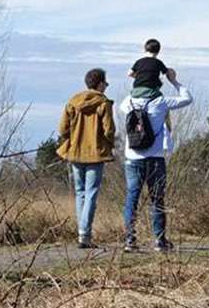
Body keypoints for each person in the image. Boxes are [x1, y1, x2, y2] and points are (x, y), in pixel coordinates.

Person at [119, 67, 194, 251]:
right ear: (157, 84)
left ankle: (130, 239)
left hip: (132, 157)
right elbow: (187, 98)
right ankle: (160, 240)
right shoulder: (161, 101)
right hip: (155, 157)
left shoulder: (128, 101)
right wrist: (174, 81)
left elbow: (126, 103)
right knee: (157, 199)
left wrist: (136, 78)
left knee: (132, 197)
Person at [55, 68, 117, 248]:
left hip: (75, 152)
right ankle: (85, 234)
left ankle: (82, 233)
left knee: (80, 192)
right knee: (91, 193)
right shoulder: (103, 103)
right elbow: (109, 130)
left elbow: (62, 129)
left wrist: (72, 138)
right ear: (99, 84)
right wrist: (109, 144)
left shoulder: (72, 102)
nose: (106, 86)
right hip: (95, 153)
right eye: (105, 83)